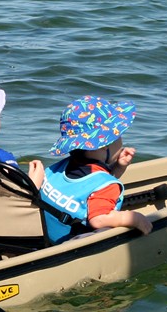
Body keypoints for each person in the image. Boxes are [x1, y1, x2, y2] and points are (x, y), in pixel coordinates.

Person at [40, 95, 154, 245]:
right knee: (106, 227)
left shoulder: (59, 169)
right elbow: (99, 219)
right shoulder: (107, 186)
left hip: (44, 236)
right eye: (118, 134)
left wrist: (117, 168)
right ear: (103, 144)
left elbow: (88, 185)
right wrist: (135, 218)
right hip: (71, 246)